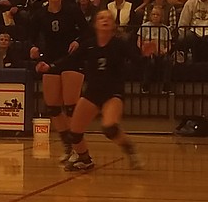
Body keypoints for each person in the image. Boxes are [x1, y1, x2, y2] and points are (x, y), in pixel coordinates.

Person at [37, 10, 143, 172]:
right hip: (92, 93)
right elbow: (69, 60)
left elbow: (137, 62)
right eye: (101, 18)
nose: (105, 20)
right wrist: (50, 67)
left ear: (114, 25)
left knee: (109, 128)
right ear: (95, 24)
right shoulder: (89, 44)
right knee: (74, 132)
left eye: (108, 18)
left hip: (113, 93)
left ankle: (129, 149)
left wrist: (146, 57)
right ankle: (85, 159)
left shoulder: (120, 44)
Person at [28, 0, 89, 161]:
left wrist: (78, 41)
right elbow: (30, 37)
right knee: (53, 107)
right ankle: (68, 145)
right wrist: (32, 48)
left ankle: (80, 149)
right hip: (51, 61)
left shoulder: (72, 10)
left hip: (71, 61)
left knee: (71, 106)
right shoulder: (40, 15)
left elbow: (87, 33)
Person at [138, 5, 173, 94]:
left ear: (161, 17)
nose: (155, 16)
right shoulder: (144, 27)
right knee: (150, 60)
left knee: (167, 60)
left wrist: (164, 51)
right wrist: (145, 49)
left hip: (161, 52)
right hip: (147, 51)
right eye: (153, 14)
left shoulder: (165, 29)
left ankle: (166, 87)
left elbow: (168, 45)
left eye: (157, 15)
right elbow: (139, 42)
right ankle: (145, 86)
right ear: (150, 15)